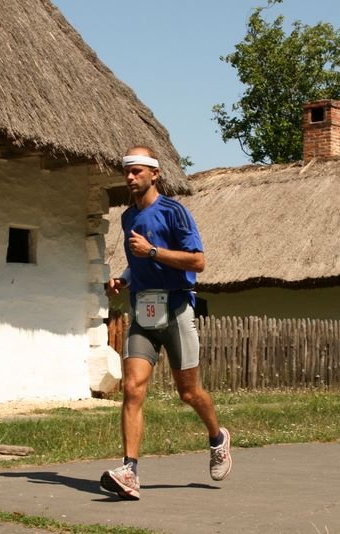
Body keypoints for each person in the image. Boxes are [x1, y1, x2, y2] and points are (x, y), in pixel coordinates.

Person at [100, 145, 232, 501]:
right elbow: (137, 261)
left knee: (188, 392)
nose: (130, 177)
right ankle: (129, 471)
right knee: (133, 388)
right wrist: (125, 278)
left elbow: (198, 261)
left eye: (137, 171)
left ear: (154, 174)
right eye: (126, 171)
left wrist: (154, 252)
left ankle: (217, 437)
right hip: (143, 310)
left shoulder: (174, 212)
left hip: (175, 308)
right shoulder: (128, 218)